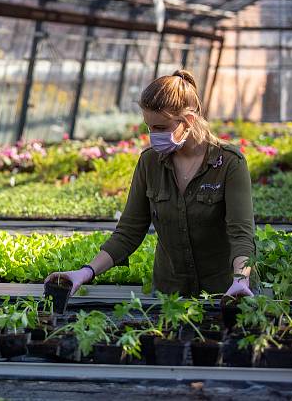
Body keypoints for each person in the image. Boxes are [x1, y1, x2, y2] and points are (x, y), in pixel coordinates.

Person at [46, 70, 256, 298]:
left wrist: (240, 281)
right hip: (170, 296)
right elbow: (128, 232)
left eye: (160, 128)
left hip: (226, 294)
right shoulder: (150, 163)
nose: (153, 136)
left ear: (188, 121)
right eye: (149, 127)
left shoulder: (228, 163)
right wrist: (84, 273)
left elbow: (241, 234)